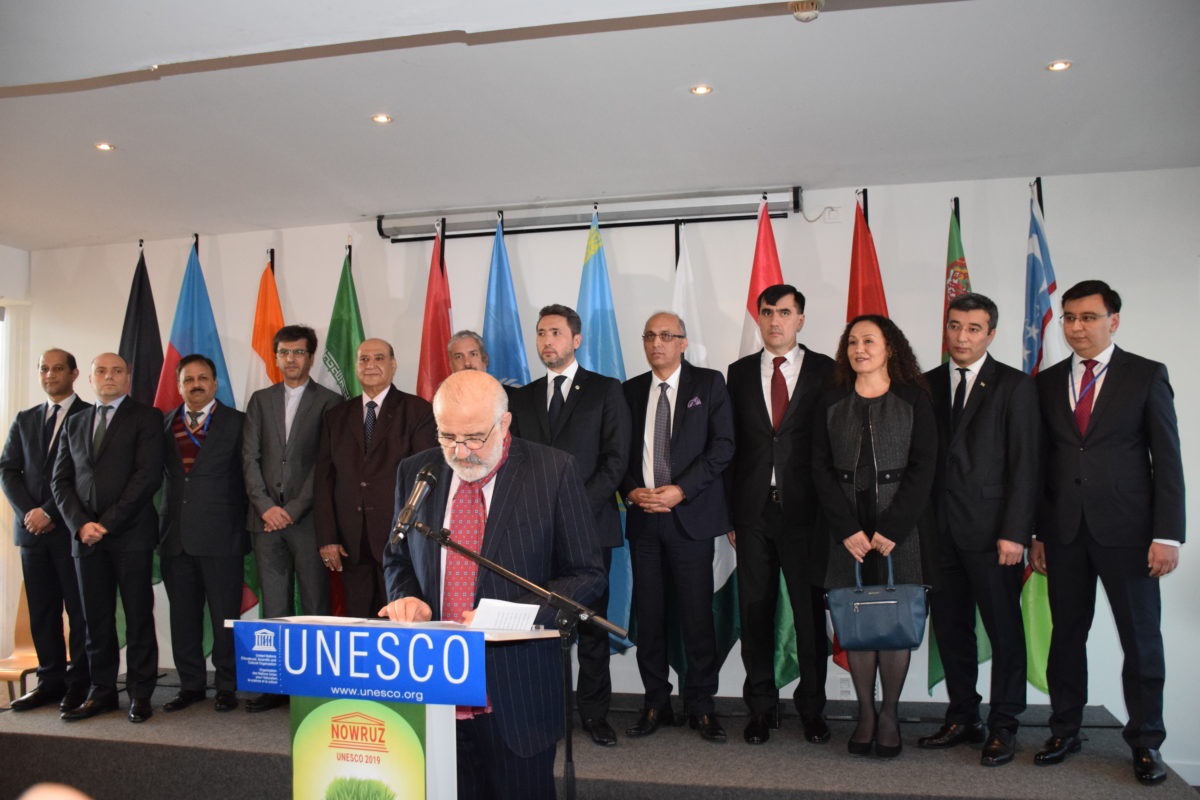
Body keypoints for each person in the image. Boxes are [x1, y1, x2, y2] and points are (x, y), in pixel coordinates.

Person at [379, 369, 604, 800]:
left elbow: (587, 574)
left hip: (515, 693)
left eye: (474, 437)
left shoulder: (552, 471)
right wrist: (407, 597)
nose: (460, 451)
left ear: (504, 424)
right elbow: (397, 556)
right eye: (448, 436)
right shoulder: (417, 472)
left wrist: (509, 617)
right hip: (435, 689)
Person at [1029, 280, 1184, 785]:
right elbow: (1042, 465)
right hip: (1064, 534)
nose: (1077, 327)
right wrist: (1038, 532)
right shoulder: (1046, 382)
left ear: (1113, 321)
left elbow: (1167, 459)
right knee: (1066, 638)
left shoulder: (1146, 375)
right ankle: (1064, 730)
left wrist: (1168, 535)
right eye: (1070, 317)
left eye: (1089, 317)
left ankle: (1146, 742)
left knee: (1141, 641)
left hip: (1131, 536)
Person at [918, 293, 1037, 766]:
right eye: (955, 326)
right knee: (951, 631)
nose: (962, 337)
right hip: (938, 533)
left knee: (1005, 632)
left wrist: (1016, 532)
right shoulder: (925, 384)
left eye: (973, 328)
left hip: (993, 536)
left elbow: (1026, 464)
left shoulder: (1014, 385)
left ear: (990, 334)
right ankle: (963, 716)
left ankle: (1004, 724)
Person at [812, 315, 936, 758]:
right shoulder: (831, 400)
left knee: (895, 624)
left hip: (901, 529)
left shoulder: (914, 399)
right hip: (846, 529)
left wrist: (893, 529)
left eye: (868, 341)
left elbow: (924, 467)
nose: (859, 349)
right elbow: (819, 469)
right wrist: (846, 529)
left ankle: (890, 715)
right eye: (852, 342)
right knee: (858, 620)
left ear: (890, 348)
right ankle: (865, 713)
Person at [508, 304, 631, 747]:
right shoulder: (521, 398)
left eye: (556, 333)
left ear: (576, 340)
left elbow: (616, 460)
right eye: (541, 333)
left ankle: (595, 715)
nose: (547, 341)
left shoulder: (605, 390)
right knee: (541, 629)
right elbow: (514, 463)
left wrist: (573, 509)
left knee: (592, 625)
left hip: (590, 528)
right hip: (535, 533)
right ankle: (548, 713)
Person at [726, 285, 833, 746]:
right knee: (755, 613)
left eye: (785, 313)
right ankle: (760, 708)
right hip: (753, 513)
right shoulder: (738, 373)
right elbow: (730, 447)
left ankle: (812, 709)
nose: (775, 320)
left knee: (809, 617)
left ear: (800, 319)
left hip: (808, 515)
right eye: (767, 312)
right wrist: (730, 515)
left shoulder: (828, 370)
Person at [620, 312, 735, 743]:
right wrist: (631, 491)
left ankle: (701, 705)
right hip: (645, 521)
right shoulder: (630, 390)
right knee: (649, 618)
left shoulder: (709, 384)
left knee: (696, 617)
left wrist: (681, 490)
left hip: (691, 519)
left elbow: (723, 447)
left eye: (666, 336)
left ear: (683, 343)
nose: (657, 343)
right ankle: (656, 702)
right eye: (650, 335)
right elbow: (617, 453)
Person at [51, 353, 164, 723]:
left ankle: (140, 694)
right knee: (94, 620)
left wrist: (107, 524)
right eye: (101, 371)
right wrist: (81, 525)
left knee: (137, 617)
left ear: (127, 377)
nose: (109, 377)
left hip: (130, 535)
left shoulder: (147, 417)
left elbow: (147, 476)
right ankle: (101, 692)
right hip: (84, 539)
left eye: (117, 371)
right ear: (90, 379)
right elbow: (60, 481)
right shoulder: (76, 421)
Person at [241, 325, 341, 712]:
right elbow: (249, 458)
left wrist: (293, 509)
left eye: (298, 352)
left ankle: (314, 686)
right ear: (276, 357)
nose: (291, 359)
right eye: (284, 352)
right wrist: (265, 506)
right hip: (265, 521)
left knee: (314, 603)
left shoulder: (330, 402)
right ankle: (276, 685)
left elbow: (324, 465)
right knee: (274, 606)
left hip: (309, 520)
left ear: (311, 357)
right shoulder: (260, 400)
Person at [315, 338, 436, 617]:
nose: (370, 365)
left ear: (393, 365)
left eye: (379, 358)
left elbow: (425, 478)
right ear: (356, 366)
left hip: (399, 539)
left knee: (398, 620)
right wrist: (328, 537)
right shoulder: (336, 416)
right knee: (357, 621)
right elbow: (324, 480)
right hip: (351, 543)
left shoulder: (417, 411)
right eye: (364, 359)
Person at [0, 349, 91, 712]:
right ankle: (49, 681)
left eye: (57, 368)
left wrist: (51, 511)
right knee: (42, 611)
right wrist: (30, 513)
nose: (50, 375)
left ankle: (79, 683)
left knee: (80, 612)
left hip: (70, 532)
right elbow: (8, 470)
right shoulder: (25, 419)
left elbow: (85, 477)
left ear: (74, 373)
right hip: (32, 535)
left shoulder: (90, 417)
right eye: (44, 369)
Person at [158, 354, 248, 714]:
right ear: (179, 385)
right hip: (175, 536)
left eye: (202, 378)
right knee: (183, 617)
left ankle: (226, 685)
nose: (195, 385)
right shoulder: (164, 423)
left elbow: (249, 476)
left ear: (215, 383)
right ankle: (191, 685)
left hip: (222, 536)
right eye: (188, 379)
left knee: (225, 617)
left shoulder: (239, 422)